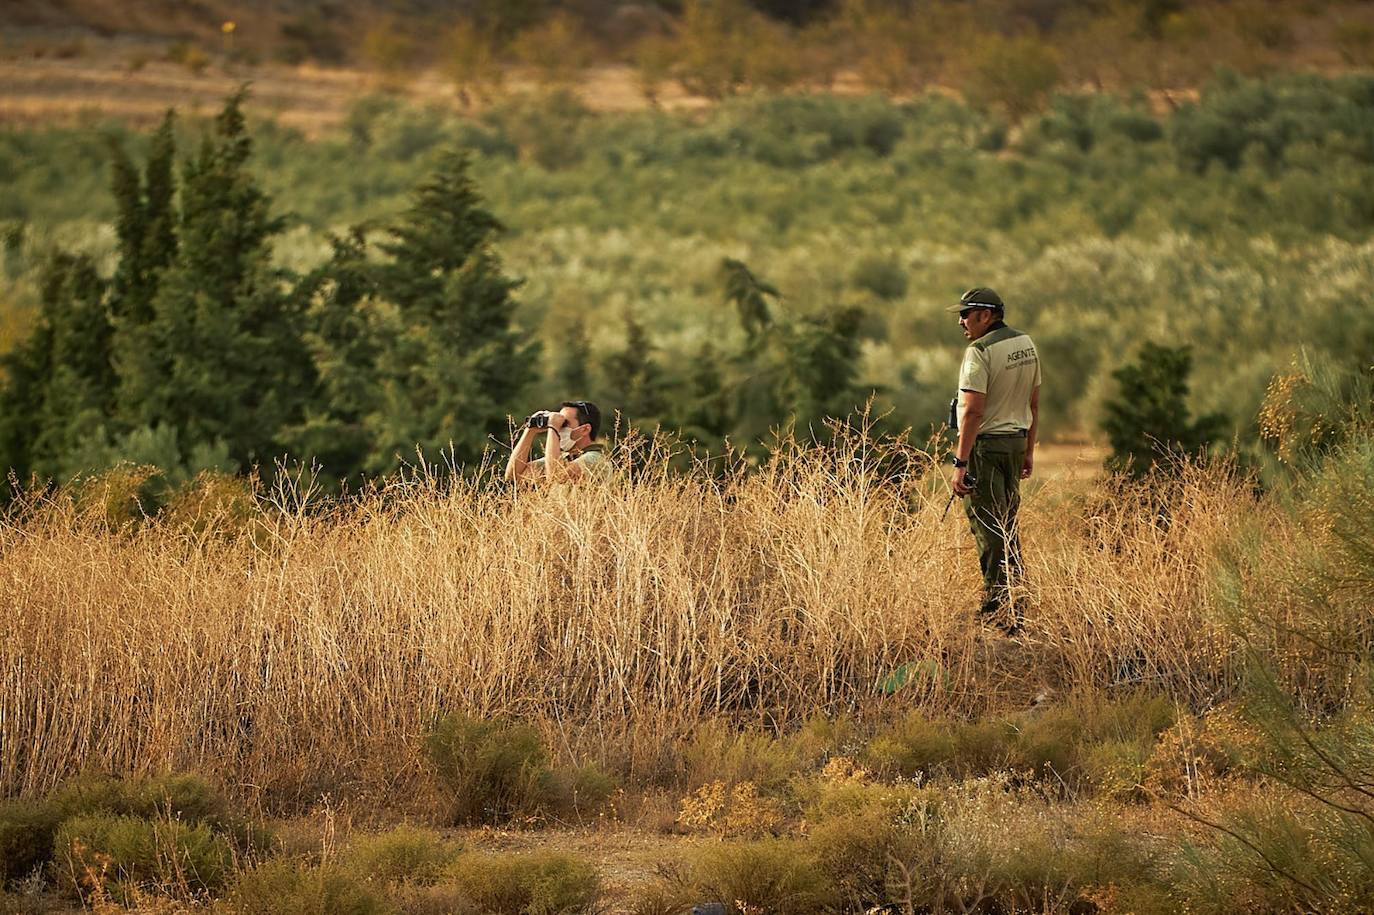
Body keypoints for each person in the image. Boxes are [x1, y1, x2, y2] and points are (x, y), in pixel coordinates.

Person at [948, 287, 1041, 634]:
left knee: (989, 528)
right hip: (1015, 445)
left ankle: (998, 610)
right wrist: (1029, 450)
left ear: (986, 315)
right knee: (1007, 524)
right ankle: (1018, 600)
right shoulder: (1026, 344)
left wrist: (960, 463)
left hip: (985, 450)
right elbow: (1033, 403)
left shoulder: (979, 351)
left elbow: (972, 412)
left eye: (966, 313)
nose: (961, 321)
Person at [504, 400, 609, 484]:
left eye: (564, 424)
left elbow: (556, 475)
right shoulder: (563, 458)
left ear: (585, 429)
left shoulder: (596, 459)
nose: (560, 428)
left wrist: (553, 427)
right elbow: (513, 475)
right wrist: (530, 431)